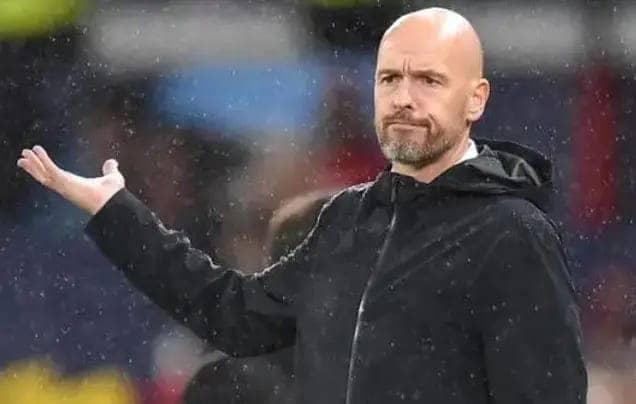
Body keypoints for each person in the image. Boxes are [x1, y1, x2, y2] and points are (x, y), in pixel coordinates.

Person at [17, 7, 587, 404]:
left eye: (429, 81)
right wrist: (118, 213)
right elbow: (237, 317)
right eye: (390, 79)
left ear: (476, 99)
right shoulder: (349, 220)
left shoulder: (513, 231)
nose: (404, 99)